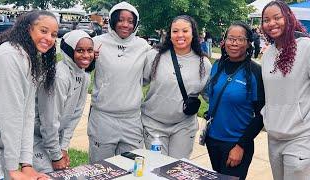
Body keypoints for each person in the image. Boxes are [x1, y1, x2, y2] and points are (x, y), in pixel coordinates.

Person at [0, 10, 58, 179]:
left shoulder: (28, 56)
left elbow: (27, 114)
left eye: (54, 34)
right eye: (43, 31)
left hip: (3, 143)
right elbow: (10, 115)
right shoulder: (10, 56)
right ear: (28, 29)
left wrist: (26, 164)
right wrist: (14, 168)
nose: (49, 38)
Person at [88, 1, 151, 163]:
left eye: (131, 21)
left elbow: (147, 77)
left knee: (131, 168)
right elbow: (83, 67)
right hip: (103, 118)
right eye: (121, 20)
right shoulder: (97, 43)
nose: (126, 25)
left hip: (132, 120)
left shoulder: (142, 46)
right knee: (100, 170)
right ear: (113, 20)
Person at [142, 15, 211, 159]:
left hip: (184, 127)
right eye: (175, 31)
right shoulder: (154, 56)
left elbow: (210, 95)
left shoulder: (203, 63)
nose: (180, 35)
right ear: (170, 34)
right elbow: (137, 83)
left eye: (185, 31)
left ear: (193, 33)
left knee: (177, 170)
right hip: (153, 124)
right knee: (157, 169)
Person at [205, 21, 265, 180]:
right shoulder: (217, 65)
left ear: (248, 43)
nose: (234, 43)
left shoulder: (255, 71)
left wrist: (240, 146)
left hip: (236, 144)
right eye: (231, 38)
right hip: (213, 140)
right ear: (224, 41)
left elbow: (262, 115)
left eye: (240, 39)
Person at [33, 30, 95, 173]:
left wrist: (63, 147)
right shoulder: (60, 76)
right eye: (79, 50)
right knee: (48, 174)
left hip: (53, 137)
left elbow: (75, 115)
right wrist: (56, 156)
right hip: (35, 137)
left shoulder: (84, 76)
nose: (86, 55)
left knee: (60, 173)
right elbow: (49, 121)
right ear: (68, 51)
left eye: (89, 50)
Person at [261, 1, 310, 179]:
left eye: (277, 18)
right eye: (266, 20)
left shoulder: (306, 47)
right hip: (274, 136)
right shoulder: (268, 53)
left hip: (300, 137)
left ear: (288, 18)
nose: (271, 23)